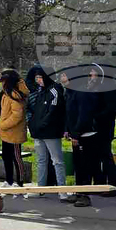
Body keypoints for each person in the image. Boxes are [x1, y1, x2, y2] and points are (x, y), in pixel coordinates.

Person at [25, 65, 69, 199]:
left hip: (51, 132)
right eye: (36, 77)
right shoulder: (40, 91)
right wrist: (33, 125)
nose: (38, 80)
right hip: (38, 133)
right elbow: (34, 110)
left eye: (40, 77)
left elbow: (54, 110)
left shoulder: (55, 89)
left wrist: (43, 124)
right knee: (41, 160)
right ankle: (41, 188)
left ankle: (62, 190)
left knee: (57, 161)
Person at [65, 66, 104, 207]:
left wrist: (76, 134)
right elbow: (70, 113)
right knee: (78, 166)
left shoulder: (82, 93)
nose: (62, 79)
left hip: (86, 134)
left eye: (65, 76)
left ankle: (85, 195)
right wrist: (67, 130)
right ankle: (78, 191)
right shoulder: (72, 92)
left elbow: (84, 116)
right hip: (77, 133)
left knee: (85, 166)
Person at [91, 63, 116, 196]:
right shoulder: (95, 86)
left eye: (93, 73)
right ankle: (99, 184)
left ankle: (112, 185)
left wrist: (96, 116)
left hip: (104, 126)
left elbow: (112, 108)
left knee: (106, 156)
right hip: (95, 126)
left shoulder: (109, 88)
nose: (91, 76)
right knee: (96, 157)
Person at [0, 69, 29, 188]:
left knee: (16, 158)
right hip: (6, 133)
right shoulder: (6, 93)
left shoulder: (15, 94)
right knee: (6, 156)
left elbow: (17, 115)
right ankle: (9, 180)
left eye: (4, 81)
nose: (2, 84)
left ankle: (20, 183)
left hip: (14, 133)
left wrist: (3, 124)